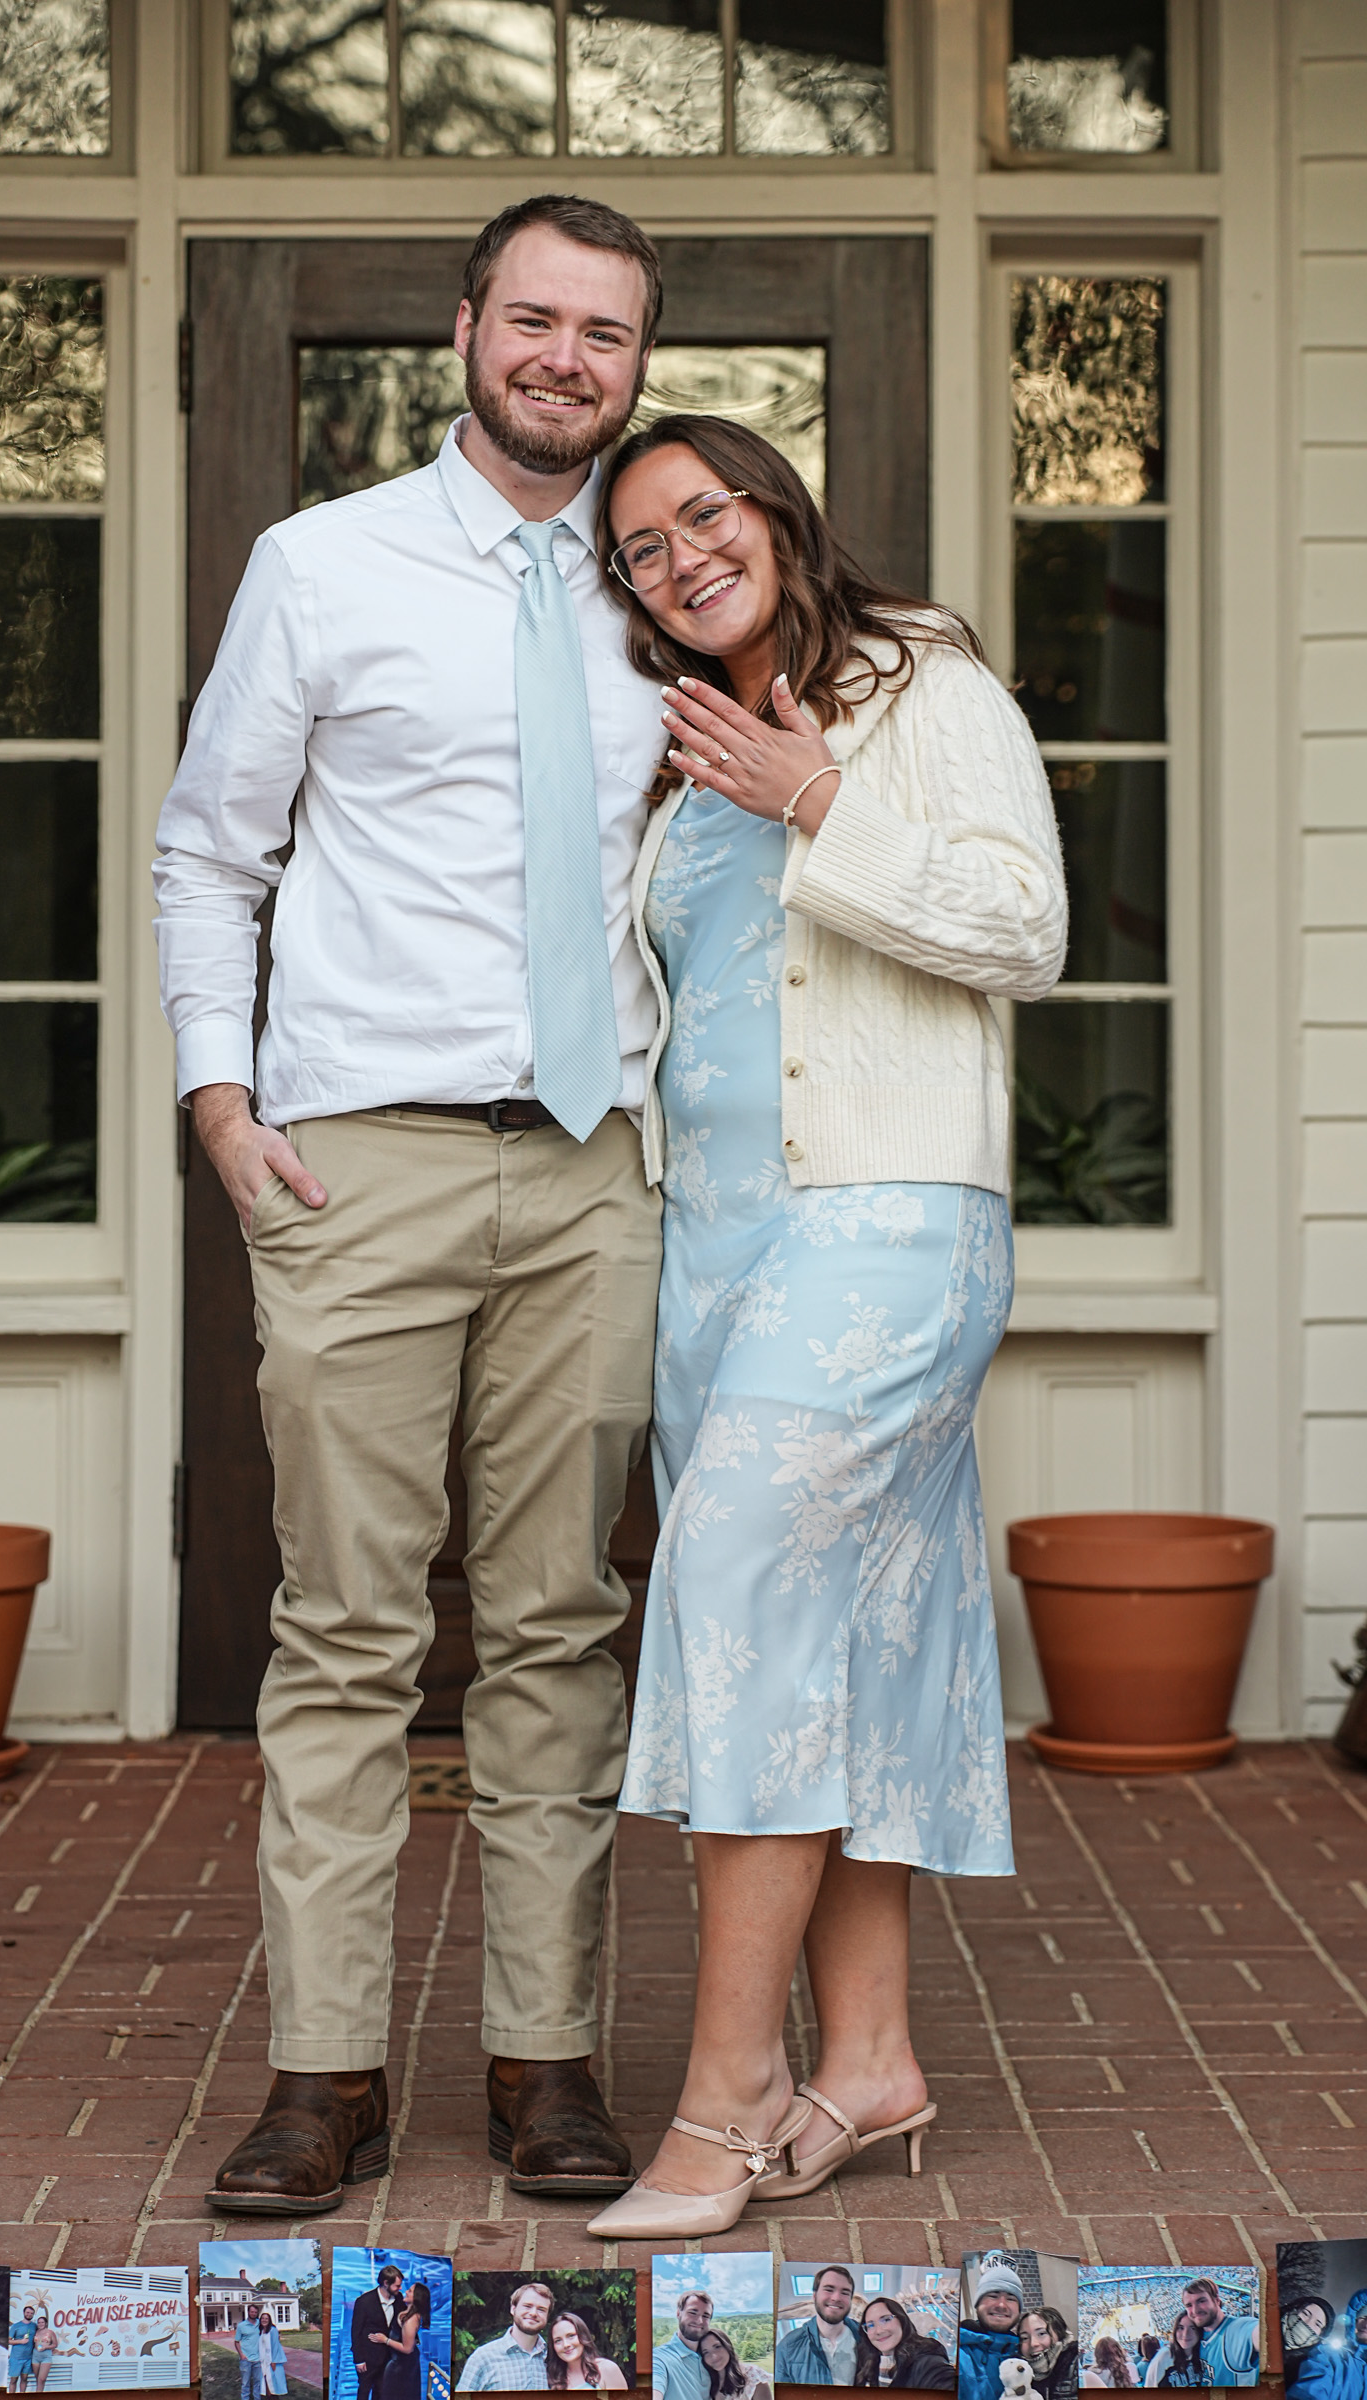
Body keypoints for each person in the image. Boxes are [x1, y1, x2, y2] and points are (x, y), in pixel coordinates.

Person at [158, 191, 672, 2218]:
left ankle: (547, 2062)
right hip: (357, 1156)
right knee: (347, 1632)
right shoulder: (323, 565)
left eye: (604, 334)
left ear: (638, 365)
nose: (564, 359)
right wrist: (219, 1103)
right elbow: (213, 851)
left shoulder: (667, 582)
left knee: (558, 1625)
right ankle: (325, 2075)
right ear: (465, 329)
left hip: (595, 1167)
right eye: (534, 319)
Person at [583, 404, 1063, 2242]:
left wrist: (816, 802)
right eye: (642, 547)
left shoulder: (917, 682)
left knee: (738, 1597)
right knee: (851, 1629)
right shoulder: (673, 747)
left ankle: (727, 2100)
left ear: (777, 513)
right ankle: (867, 2064)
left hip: (889, 1219)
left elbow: (1024, 926)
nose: (682, 557)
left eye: (706, 514)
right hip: (718, 1253)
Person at [459, 2280, 554, 2391]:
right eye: (527, 2306)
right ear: (513, 2309)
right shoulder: (483, 2357)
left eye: (541, 2309)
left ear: (547, 2316)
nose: (533, 2313)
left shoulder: (553, 2359)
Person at [777, 2267, 860, 2386]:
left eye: (845, 2292)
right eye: (829, 2289)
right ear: (814, 2296)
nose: (836, 2298)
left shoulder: (867, 2338)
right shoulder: (787, 2347)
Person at [958, 2268, 1029, 2400]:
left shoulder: (1025, 2355)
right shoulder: (959, 2357)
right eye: (993, 2296)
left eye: (1011, 2298)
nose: (1001, 2305)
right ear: (978, 2304)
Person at [852, 2298, 954, 2391]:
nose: (878, 2331)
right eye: (870, 2325)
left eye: (886, 2319)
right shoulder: (866, 2359)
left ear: (901, 2320)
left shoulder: (926, 2359)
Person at [1179, 2280, 1259, 2386]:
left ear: (1216, 2300)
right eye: (1189, 2305)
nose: (1195, 2310)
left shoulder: (1235, 2330)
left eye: (1201, 2301)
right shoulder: (1195, 2336)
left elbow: (1259, 2334)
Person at [371, 2282, 432, 2400]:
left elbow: (407, 2348)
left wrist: (385, 2340)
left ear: (416, 2297)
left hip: (402, 2366)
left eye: (410, 2291)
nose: (406, 2291)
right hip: (400, 2363)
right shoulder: (407, 2314)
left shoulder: (411, 2319)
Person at [355, 2269, 407, 2400]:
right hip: (368, 2358)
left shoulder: (399, 2298)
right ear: (386, 2283)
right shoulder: (364, 2302)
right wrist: (359, 2359)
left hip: (388, 2358)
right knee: (364, 2392)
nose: (400, 2288)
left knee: (381, 2392)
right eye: (397, 2285)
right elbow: (356, 2332)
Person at [653, 2294, 715, 2400]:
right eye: (693, 2313)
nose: (699, 2321)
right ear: (678, 2313)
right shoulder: (659, 2359)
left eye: (705, 2316)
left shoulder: (711, 2357)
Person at [548, 2311, 628, 2390]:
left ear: (583, 2336)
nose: (566, 2345)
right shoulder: (552, 2380)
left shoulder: (607, 2369)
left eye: (571, 2336)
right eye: (558, 2340)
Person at [1021, 2310, 1080, 2400]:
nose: (1033, 2343)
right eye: (1024, 2338)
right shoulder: (1019, 2375)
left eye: (1041, 2334)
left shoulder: (1078, 2363)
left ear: (1060, 2334)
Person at [697, 2329, 770, 2400]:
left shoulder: (752, 2376)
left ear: (727, 2346)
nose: (713, 2356)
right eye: (706, 2352)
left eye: (717, 2347)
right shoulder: (704, 2382)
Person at [1144, 2315, 1207, 2390]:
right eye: (1181, 2328)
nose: (1185, 2333)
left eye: (1193, 2328)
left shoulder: (1204, 2354)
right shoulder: (1164, 2356)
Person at [236, 2302, 269, 2400]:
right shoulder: (241, 2325)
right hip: (246, 2359)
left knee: (257, 2383)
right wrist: (241, 2355)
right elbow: (236, 2342)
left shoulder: (260, 2323)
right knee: (245, 2383)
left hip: (258, 2359)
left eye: (255, 2312)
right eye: (252, 2312)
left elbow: (271, 2327)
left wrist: (277, 2334)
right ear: (248, 2312)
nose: (253, 2313)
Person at [8, 2304, 39, 2393]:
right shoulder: (16, 2326)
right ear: (24, 2313)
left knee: (24, 2379)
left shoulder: (34, 2326)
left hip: (28, 2358)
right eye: (28, 2312)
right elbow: (8, 2341)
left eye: (31, 2313)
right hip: (16, 2358)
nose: (29, 2314)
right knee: (13, 2380)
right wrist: (20, 2341)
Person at [261, 2307, 290, 2397]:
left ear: (269, 2320)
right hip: (264, 2359)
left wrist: (274, 2361)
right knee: (266, 2380)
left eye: (266, 2318)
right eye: (263, 2318)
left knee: (273, 2381)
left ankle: (273, 2397)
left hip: (272, 2359)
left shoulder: (273, 2330)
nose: (264, 2320)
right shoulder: (261, 2331)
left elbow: (275, 2346)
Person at [30, 2319, 58, 2395]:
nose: (40, 2324)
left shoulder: (50, 2332)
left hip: (46, 2356)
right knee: (38, 2379)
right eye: (39, 2322)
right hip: (35, 2356)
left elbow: (55, 2344)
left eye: (42, 2322)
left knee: (42, 2378)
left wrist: (46, 2347)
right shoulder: (36, 2332)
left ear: (46, 2323)